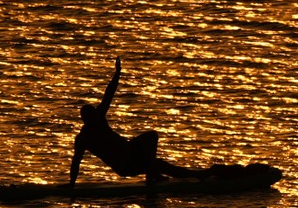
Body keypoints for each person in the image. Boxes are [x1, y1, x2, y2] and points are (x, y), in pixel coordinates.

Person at [69, 57, 238, 187]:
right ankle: (195, 176)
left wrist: (118, 73)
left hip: (131, 150)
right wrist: (71, 186)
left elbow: (108, 95)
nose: (97, 115)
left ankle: (154, 173)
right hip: (126, 165)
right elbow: (76, 162)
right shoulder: (83, 138)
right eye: (92, 115)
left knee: (151, 136)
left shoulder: (97, 120)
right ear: (86, 119)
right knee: (162, 165)